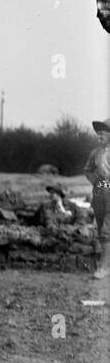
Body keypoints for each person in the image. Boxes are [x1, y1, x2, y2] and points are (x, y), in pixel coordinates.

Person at [84, 117, 110, 279]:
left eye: (102, 134)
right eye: (97, 134)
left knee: (107, 231)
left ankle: (104, 268)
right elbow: (87, 170)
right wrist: (97, 182)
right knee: (102, 231)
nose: (99, 137)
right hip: (100, 194)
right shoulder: (95, 153)